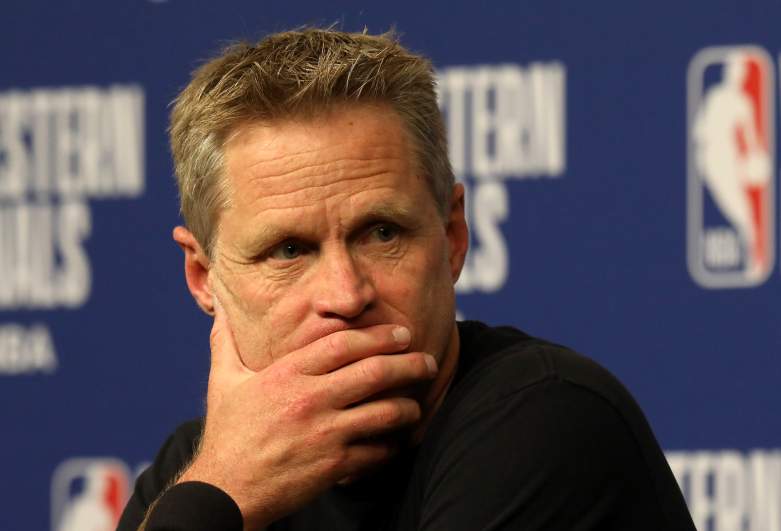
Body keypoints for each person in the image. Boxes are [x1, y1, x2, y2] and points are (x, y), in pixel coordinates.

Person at [118, 28, 696, 530]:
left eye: (381, 234)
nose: (346, 295)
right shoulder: (200, 472)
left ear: (452, 236)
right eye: (289, 250)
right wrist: (222, 488)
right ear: (204, 277)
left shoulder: (547, 421)